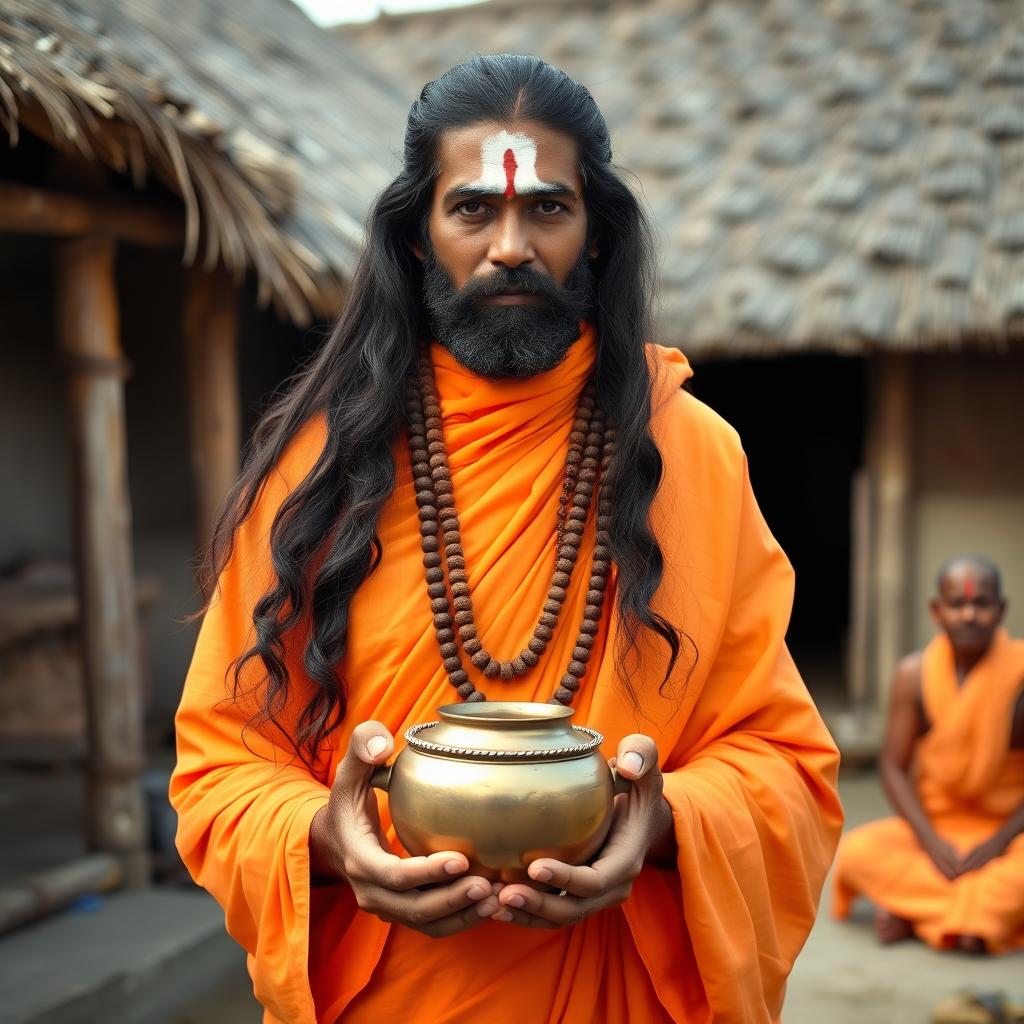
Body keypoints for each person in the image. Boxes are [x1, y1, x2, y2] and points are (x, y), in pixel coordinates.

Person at [170, 55, 842, 1024]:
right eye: (474, 210)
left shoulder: (694, 452)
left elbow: (784, 761)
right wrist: (327, 837)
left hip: (618, 985)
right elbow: (221, 759)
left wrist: (661, 827)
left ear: (598, 236)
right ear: (415, 237)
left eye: (549, 211)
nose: (512, 247)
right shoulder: (316, 467)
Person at [833, 555, 1024, 954]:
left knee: (1014, 875)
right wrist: (931, 841)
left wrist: (998, 844)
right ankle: (970, 921)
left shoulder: (1020, 675)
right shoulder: (914, 675)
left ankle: (916, 914)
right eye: (957, 604)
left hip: (1008, 833)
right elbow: (893, 767)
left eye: (982, 603)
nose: (969, 614)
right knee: (856, 852)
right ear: (937, 611)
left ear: (1001, 609)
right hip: (936, 829)